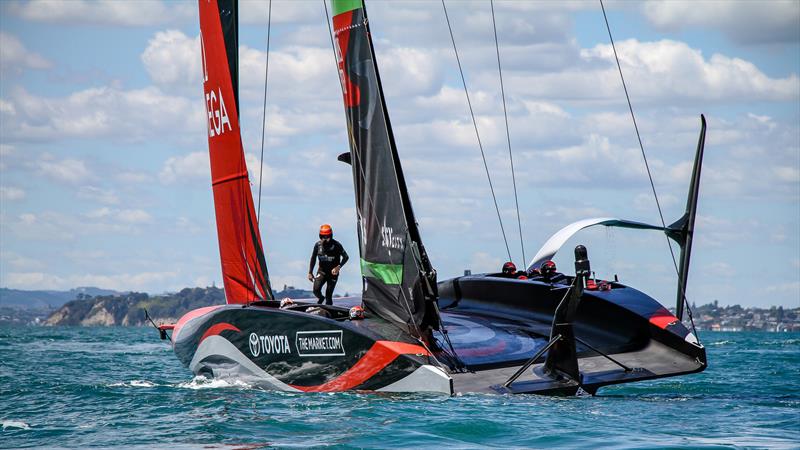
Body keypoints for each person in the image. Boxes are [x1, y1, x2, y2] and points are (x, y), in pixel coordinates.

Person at [308, 224, 349, 305]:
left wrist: (338, 267)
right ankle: (321, 298)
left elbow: (346, 257)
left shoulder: (337, 245)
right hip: (322, 272)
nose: (325, 239)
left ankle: (328, 314)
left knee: (328, 295)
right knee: (316, 290)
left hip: (333, 274)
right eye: (322, 237)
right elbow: (313, 258)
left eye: (327, 237)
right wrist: (310, 272)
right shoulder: (318, 245)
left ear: (331, 236)